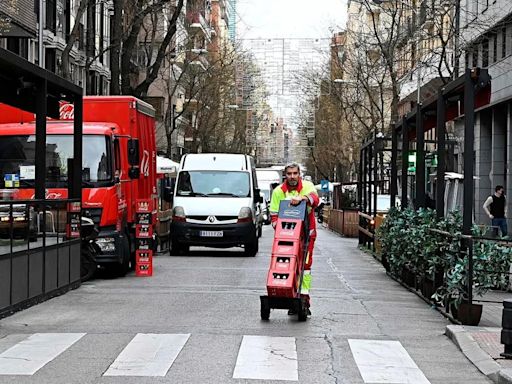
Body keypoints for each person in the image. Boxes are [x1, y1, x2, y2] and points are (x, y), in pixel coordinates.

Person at [269, 162, 319, 315]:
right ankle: (290, 297)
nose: (292, 177)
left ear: (299, 175)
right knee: (287, 266)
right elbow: (274, 215)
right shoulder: (278, 192)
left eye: (295, 174)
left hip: (306, 235)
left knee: (305, 267)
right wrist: (280, 226)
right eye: (289, 174)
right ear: (285, 175)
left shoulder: (307, 186)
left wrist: (302, 198)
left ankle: (304, 299)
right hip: (286, 237)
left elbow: (315, 200)